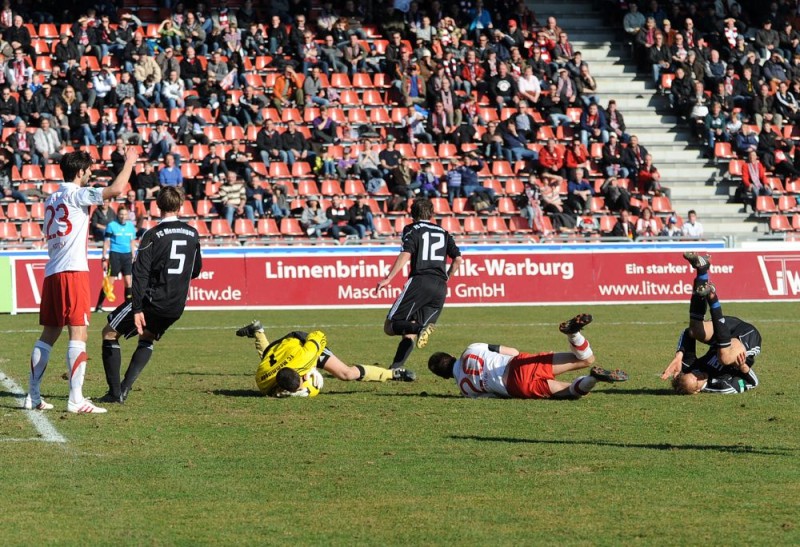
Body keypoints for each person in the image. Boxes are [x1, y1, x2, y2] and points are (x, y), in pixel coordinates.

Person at [24, 149, 137, 413]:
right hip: (73, 271)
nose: (90, 174)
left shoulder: (52, 198)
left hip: (52, 271)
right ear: (79, 172)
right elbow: (117, 189)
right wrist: (130, 162)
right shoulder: (78, 194)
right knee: (79, 332)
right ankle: (76, 399)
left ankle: (33, 395)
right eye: (88, 171)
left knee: (49, 334)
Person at [99, 187, 203, 404]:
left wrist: (137, 308)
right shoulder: (193, 233)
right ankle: (124, 390)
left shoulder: (152, 234)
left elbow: (140, 275)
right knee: (146, 338)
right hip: (175, 305)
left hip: (151, 300)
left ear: (157, 205)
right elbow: (195, 270)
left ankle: (114, 392)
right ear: (180, 205)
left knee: (109, 333)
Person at [427, 314, 628, 398]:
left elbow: (494, 397)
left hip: (515, 386)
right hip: (520, 363)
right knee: (586, 359)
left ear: (445, 377)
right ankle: (573, 333)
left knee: (569, 391)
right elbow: (511, 351)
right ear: (451, 355)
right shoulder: (471, 349)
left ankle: (593, 378)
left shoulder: (465, 390)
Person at [377, 198, 463, 372]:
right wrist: (447, 278)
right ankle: (396, 368)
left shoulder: (411, 229)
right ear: (432, 214)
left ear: (412, 214)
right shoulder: (443, 232)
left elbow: (406, 254)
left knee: (390, 326)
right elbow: (458, 260)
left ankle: (421, 328)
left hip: (420, 281)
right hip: (440, 286)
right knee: (409, 331)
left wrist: (389, 278)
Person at [660, 253, 760, 394]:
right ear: (696, 391)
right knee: (724, 357)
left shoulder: (691, 368)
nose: (698, 375)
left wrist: (679, 355)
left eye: (694, 374)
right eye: (697, 381)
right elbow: (753, 383)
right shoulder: (721, 386)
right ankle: (712, 297)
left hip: (726, 328)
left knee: (695, 330)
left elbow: (688, 333)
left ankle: (702, 270)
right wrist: (743, 366)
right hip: (747, 337)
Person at [235, 320, 417, 397]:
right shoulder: (262, 380)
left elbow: (318, 335)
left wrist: (313, 360)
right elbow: (268, 361)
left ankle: (393, 373)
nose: (306, 380)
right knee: (267, 357)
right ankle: (258, 331)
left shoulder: (305, 357)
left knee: (346, 373)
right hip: (275, 350)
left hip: (300, 341)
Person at [95, 203, 137, 313]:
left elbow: (132, 242)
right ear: (118, 215)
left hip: (127, 256)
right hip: (115, 255)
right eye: (121, 214)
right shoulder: (111, 225)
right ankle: (98, 305)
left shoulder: (130, 226)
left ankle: (129, 306)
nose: (123, 216)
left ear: (127, 215)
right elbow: (106, 242)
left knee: (128, 282)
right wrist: (104, 258)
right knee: (110, 282)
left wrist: (133, 256)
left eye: (125, 214)